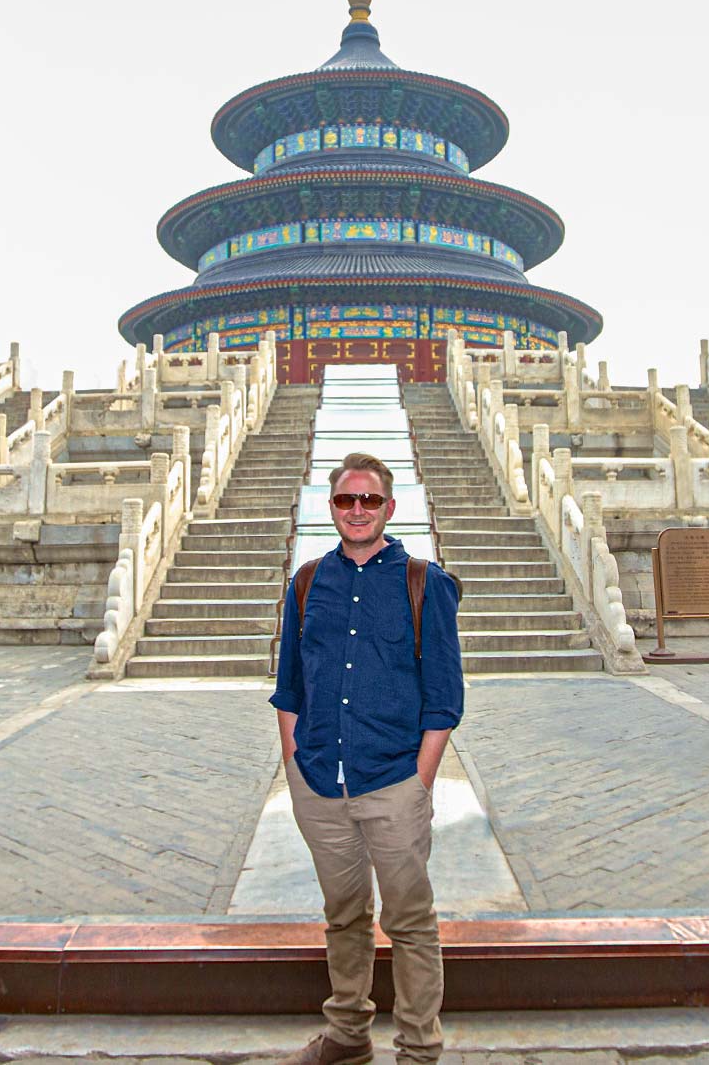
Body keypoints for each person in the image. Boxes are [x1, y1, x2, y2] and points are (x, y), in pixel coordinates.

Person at [270, 451, 464, 1065]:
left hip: (393, 782)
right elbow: (289, 687)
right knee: (344, 915)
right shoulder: (306, 582)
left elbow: (445, 698)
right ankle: (348, 1033)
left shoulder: (423, 583)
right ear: (331, 508)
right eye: (346, 500)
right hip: (321, 781)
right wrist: (295, 761)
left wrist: (420, 781)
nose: (357, 511)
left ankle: (419, 1048)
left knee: (410, 922)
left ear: (389, 507)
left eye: (369, 500)